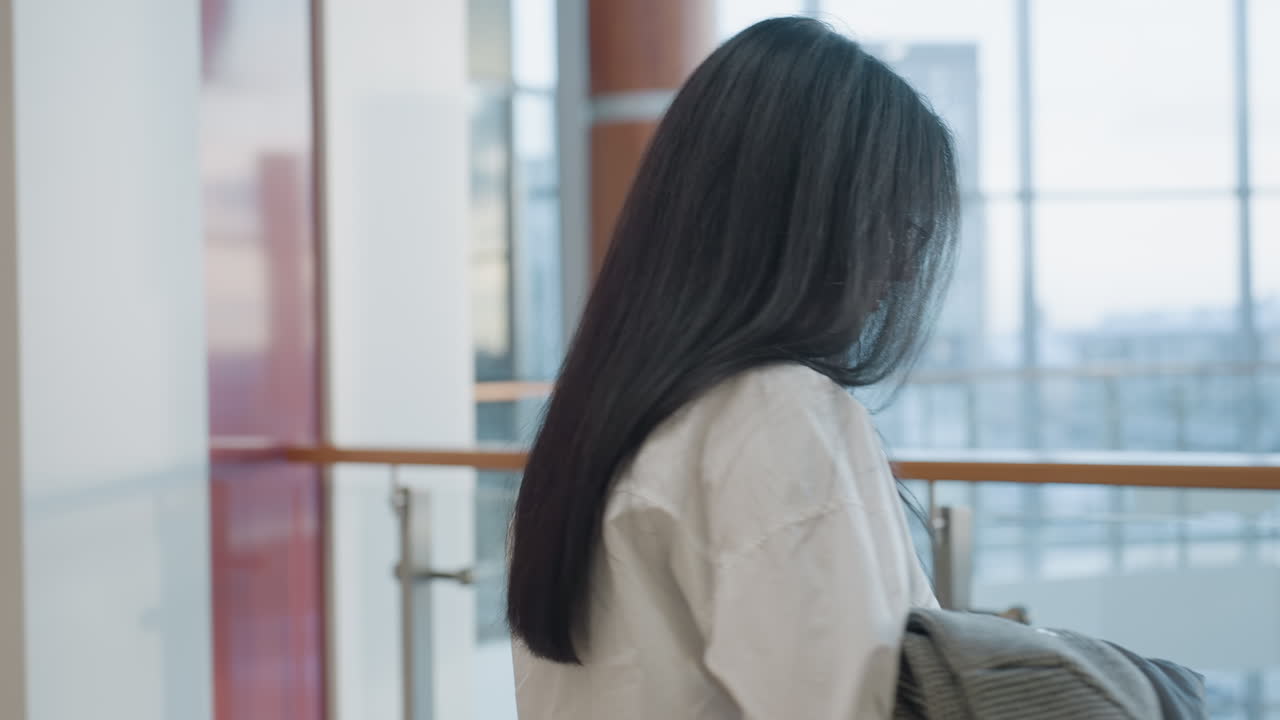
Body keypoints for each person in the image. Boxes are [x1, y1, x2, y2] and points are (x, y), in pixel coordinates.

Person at [506, 16, 958, 719]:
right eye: (895, 227)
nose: (900, 270)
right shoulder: (777, 414)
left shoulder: (598, 421)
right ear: (812, 222)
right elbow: (844, 704)